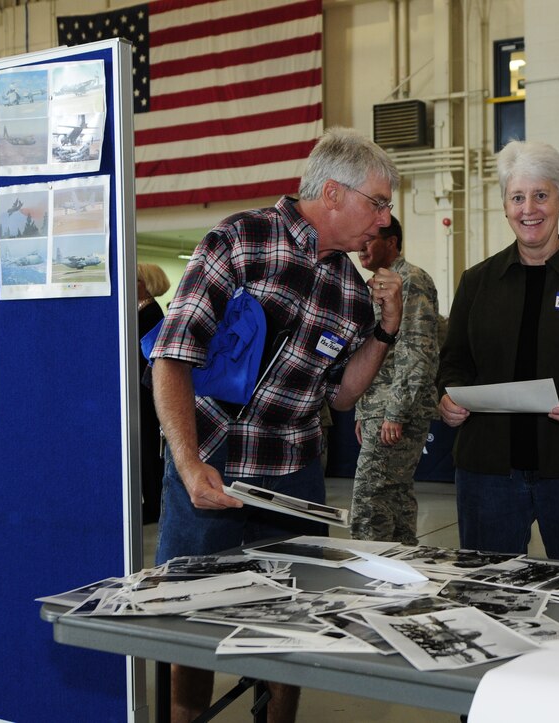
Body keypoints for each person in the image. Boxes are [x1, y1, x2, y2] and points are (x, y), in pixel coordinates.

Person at [148, 127, 403, 722]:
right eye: (379, 202)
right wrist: (187, 463)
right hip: (212, 467)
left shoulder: (351, 290)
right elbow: (172, 355)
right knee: (192, 618)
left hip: (293, 477)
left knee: (293, 620)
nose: (386, 221)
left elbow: (341, 396)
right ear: (334, 194)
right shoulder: (241, 241)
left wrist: (385, 329)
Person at [436, 139, 559, 566]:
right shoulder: (477, 283)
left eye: (541, 195)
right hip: (488, 473)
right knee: (485, 593)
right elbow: (453, 363)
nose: (529, 208)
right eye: (517, 197)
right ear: (506, 206)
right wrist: (447, 398)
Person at [351, 215, 440, 544]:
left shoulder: (410, 280)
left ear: (391, 243)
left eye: (370, 239)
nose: (362, 247)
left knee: (369, 502)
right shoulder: (375, 284)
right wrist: (364, 410)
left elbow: (417, 348)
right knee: (394, 498)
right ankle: (402, 572)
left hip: (395, 409)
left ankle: (369, 576)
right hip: (378, 408)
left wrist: (394, 412)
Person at [136, 262, 169, 524]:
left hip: (147, 392)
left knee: (149, 449)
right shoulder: (140, 313)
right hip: (142, 391)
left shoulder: (150, 315)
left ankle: (155, 502)